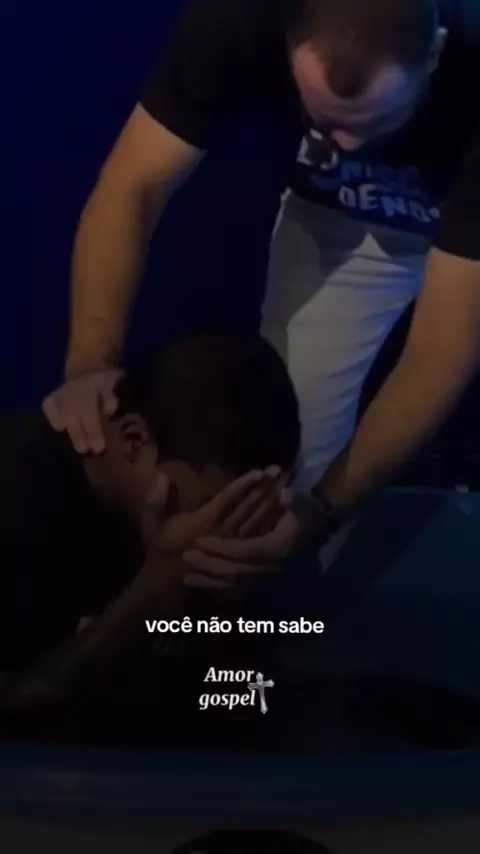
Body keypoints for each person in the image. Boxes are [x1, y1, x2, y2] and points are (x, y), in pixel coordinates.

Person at [42, 0, 480, 576]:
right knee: (286, 480)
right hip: (341, 215)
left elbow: (440, 353)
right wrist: (90, 366)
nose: (347, 147)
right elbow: (135, 187)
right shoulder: (240, 16)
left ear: (436, 51)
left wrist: (322, 513)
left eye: (371, 121)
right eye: (326, 121)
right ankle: (268, 623)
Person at [0, 332, 301, 743]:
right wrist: (157, 587)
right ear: (133, 440)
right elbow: (11, 721)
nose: (224, 533)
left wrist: (221, 614)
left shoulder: (215, 516)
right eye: (209, 507)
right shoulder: (16, 495)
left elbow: (247, 703)